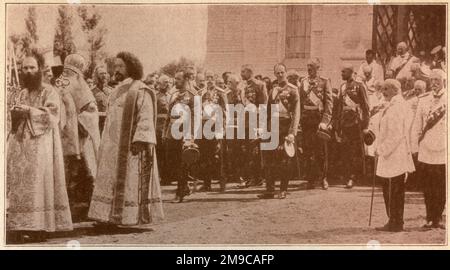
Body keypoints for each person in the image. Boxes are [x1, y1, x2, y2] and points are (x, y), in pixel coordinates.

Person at [88, 51, 164, 227]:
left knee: (129, 183)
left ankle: (128, 217)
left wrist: (140, 140)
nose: (116, 69)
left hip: (131, 146)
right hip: (111, 146)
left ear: (131, 66)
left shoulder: (140, 89)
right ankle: (106, 216)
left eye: (121, 66)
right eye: (115, 66)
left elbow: (145, 115)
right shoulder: (116, 90)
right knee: (109, 180)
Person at [7, 49, 73, 243]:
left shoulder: (49, 91)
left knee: (38, 183)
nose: (28, 71)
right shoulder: (22, 92)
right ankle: (21, 224)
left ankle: (40, 226)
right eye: (24, 67)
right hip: (21, 145)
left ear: (39, 69)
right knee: (21, 184)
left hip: (41, 144)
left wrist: (29, 111)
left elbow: (53, 116)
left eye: (32, 67)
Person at [57, 54, 101, 222]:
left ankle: (68, 207)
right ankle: (83, 207)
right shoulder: (79, 83)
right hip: (80, 138)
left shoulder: (58, 82)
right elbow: (90, 109)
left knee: (68, 171)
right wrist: (83, 125)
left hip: (63, 137)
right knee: (85, 169)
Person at [375, 79, 415, 232]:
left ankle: (396, 222)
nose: (383, 92)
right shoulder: (392, 105)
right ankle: (394, 220)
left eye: (386, 89)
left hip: (395, 154)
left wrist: (382, 149)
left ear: (394, 90)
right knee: (392, 189)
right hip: (392, 154)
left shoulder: (397, 107)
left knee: (394, 190)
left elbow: (396, 134)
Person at [259, 63, 300, 199]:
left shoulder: (293, 90)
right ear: (275, 74)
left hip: (285, 125)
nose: (280, 75)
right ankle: (270, 189)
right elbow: (269, 111)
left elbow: (296, 112)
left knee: (284, 159)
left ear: (286, 72)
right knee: (269, 158)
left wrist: (292, 132)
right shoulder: (273, 90)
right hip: (273, 126)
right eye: (277, 73)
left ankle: (283, 189)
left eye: (282, 72)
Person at [412, 69, 446, 230]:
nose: (434, 83)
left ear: (444, 81)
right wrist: (415, 145)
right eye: (432, 80)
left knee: (441, 185)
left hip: (443, 149)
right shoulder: (423, 100)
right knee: (428, 185)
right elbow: (417, 124)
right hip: (426, 148)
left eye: (437, 80)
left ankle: (438, 217)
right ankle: (429, 217)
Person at [334, 64, 370, 188]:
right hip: (344, 123)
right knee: (345, 151)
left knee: (356, 151)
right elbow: (339, 107)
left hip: (356, 123)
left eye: (344, 72)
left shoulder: (359, 86)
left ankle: (354, 177)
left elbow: (365, 107)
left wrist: (366, 125)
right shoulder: (342, 87)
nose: (342, 74)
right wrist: (338, 125)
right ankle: (347, 175)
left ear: (350, 72)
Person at [299, 58, 333, 189]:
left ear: (318, 68)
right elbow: (301, 102)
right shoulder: (303, 82)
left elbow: (329, 103)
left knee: (321, 151)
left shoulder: (324, 82)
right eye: (308, 66)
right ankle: (310, 178)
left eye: (312, 67)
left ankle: (323, 177)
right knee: (308, 150)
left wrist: (325, 121)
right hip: (306, 119)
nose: (309, 69)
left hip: (319, 120)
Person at [165, 70, 198, 203]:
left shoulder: (193, 96)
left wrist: (190, 137)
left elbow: (196, 117)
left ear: (185, 80)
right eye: (175, 79)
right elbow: (169, 114)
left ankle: (180, 192)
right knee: (171, 162)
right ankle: (184, 187)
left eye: (178, 79)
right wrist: (164, 132)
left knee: (182, 163)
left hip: (184, 134)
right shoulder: (173, 94)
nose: (175, 81)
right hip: (171, 133)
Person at [197, 71, 228, 192]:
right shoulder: (200, 93)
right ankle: (207, 183)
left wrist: (223, 128)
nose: (209, 80)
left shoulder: (220, 93)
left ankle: (222, 183)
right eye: (207, 78)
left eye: (211, 77)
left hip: (217, 125)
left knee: (219, 155)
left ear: (215, 79)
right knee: (205, 155)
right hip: (204, 125)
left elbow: (226, 111)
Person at [240, 64, 268, 187]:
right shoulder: (242, 86)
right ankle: (251, 177)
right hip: (245, 122)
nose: (241, 74)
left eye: (243, 72)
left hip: (255, 121)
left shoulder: (259, 85)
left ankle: (258, 178)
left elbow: (263, 105)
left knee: (256, 152)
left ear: (250, 72)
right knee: (248, 151)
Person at [224, 73, 245, 187]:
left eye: (238, 82)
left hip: (242, 125)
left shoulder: (242, 93)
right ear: (229, 83)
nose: (237, 84)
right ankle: (232, 175)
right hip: (230, 125)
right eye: (234, 83)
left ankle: (241, 175)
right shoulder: (225, 94)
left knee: (241, 151)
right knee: (231, 151)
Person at [156, 74, 171, 184]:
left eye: (169, 82)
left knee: (168, 153)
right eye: (165, 82)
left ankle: (168, 176)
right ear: (159, 84)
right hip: (159, 128)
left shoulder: (171, 96)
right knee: (160, 153)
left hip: (170, 128)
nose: (167, 84)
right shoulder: (156, 97)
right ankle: (160, 176)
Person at [91, 65, 113, 133]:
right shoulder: (91, 91)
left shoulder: (112, 91)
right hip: (96, 125)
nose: (104, 76)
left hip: (109, 125)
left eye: (105, 73)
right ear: (96, 76)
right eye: (101, 74)